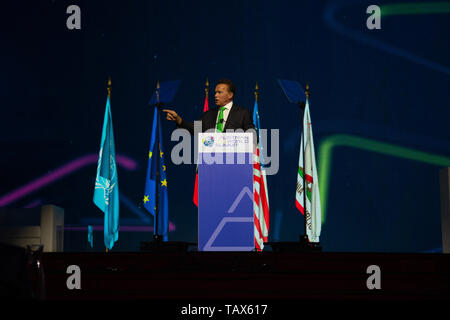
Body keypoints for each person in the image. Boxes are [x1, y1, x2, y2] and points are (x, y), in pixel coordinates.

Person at [163, 79, 255, 134]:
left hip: (234, 162)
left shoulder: (243, 113)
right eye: (215, 92)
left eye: (219, 92)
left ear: (230, 95)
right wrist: (179, 120)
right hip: (211, 162)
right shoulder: (208, 115)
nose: (215, 95)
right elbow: (195, 128)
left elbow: (252, 136)